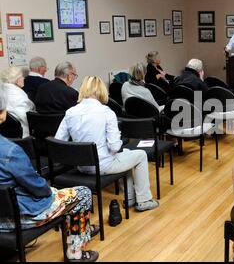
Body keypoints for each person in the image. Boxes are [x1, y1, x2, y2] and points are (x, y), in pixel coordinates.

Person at [0, 85, 99, 262]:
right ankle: (75, 253)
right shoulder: (10, 151)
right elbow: (39, 189)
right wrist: (49, 191)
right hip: (17, 217)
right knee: (82, 193)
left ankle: (82, 227)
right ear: (2, 114)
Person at [55, 76, 159, 212]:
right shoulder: (106, 112)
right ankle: (144, 200)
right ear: (101, 91)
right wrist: (118, 140)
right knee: (140, 155)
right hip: (102, 166)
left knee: (126, 155)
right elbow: (115, 147)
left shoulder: (70, 113)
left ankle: (130, 198)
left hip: (82, 166)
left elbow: (58, 142)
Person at [0, 66, 35, 137]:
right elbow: (27, 119)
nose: (24, 78)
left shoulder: (3, 91)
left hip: (5, 135)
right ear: (16, 79)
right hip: (22, 136)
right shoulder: (18, 96)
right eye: (22, 76)